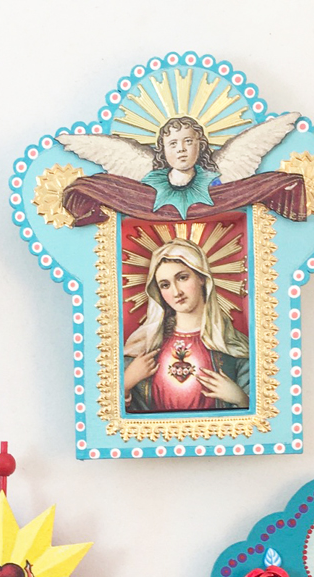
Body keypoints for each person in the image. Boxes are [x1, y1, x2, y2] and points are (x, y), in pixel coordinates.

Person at [123, 237, 249, 412]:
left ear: (201, 277)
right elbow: (111, 414)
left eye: (182, 278)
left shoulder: (232, 344)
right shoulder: (144, 344)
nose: (176, 292)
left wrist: (240, 398)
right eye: (165, 285)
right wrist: (126, 383)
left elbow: (263, 412)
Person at [140, 117, 220, 217]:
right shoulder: (151, 182)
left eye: (188, 141)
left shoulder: (212, 181)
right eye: (173, 143)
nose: (181, 149)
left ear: (200, 145)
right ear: (163, 149)